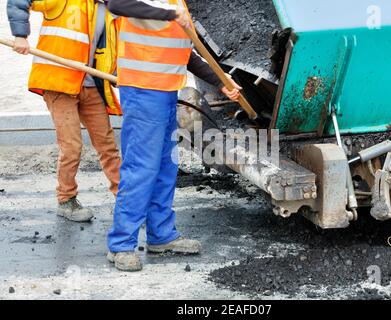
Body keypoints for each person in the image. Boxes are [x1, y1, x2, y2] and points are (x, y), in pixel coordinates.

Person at [106, 0, 242, 271]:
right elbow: (116, 4)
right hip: (143, 91)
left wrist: (221, 81)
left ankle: (161, 235)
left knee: (166, 167)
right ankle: (121, 244)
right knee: (141, 168)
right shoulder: (164, 5)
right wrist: (168, 14)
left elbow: (186, 53)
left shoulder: (176, 2)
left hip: (167, 92)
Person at [7, 0, 122, 222]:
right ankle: (66, 199)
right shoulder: (63, 1)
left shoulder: (112, 11)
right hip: (59, 84)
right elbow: (19, 1)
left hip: (91, 85)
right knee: (71, 146)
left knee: (107, 144)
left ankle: (125, 197)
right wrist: (20, 35)